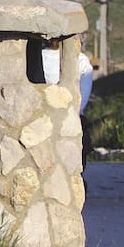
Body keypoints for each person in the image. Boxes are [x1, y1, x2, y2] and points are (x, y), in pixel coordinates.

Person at [40, 37, 95, 169]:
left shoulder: (36, 58)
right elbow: (83, 98)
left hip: (42, 122)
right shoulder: (80, 60)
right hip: (73, 122)